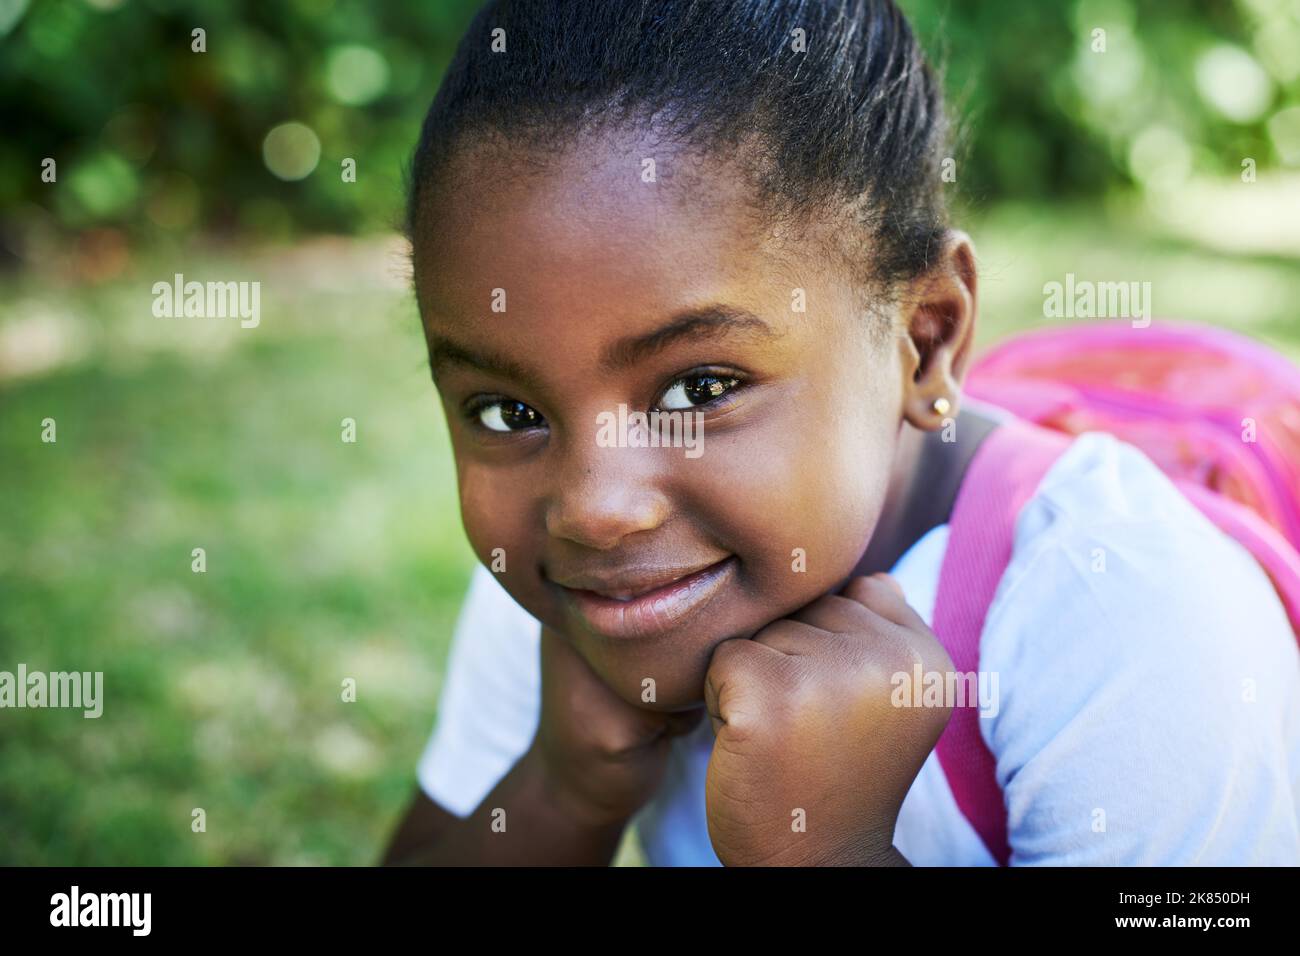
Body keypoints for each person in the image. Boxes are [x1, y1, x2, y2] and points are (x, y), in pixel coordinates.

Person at [382, 0, 1300, 865]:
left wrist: (829, 851)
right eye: (511, 413)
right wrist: (560, 788)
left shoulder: (1127, 626)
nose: (596, 507)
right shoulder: (583, 591)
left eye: (701, 388)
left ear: (927, 337)